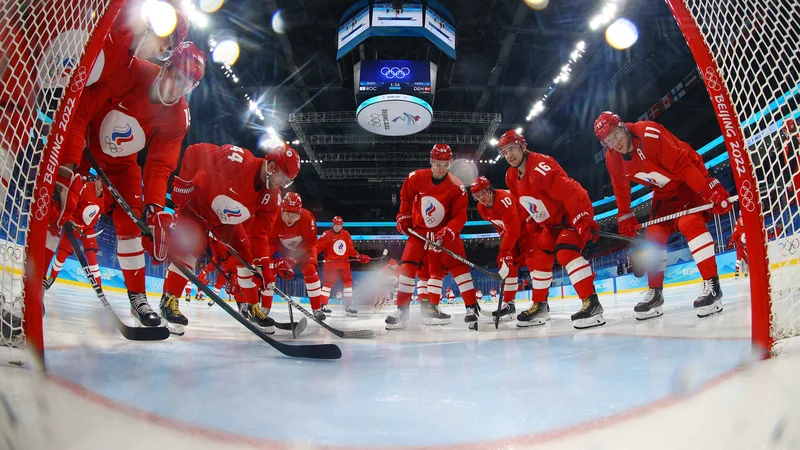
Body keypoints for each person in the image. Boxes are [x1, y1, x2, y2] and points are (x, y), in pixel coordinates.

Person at [55, 41, 206, 328]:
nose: (178, 89)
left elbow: (160, 165)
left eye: (187, 85)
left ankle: (138, 299)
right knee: (61, 206)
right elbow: (82, 110)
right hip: (87, 148)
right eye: (178, 78)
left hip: (124, 165)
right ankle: (33, 287)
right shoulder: (130, 71)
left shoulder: (178, 115)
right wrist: (68, 165)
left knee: (132, 225)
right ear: (167, 67)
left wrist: (154, 208)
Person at [595, 111, 730, 319]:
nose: (614, 143)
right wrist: (625, 215)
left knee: (689, 223)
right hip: (664, 191)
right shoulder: (612, 158)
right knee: (654, 236)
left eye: (615, 135)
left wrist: (707, 189)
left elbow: (684, 167)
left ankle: (713, 286)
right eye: (608, 141)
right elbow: (620, 188)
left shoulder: (650, 133)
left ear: (622, 126)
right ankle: (655, 293)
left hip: (687, 179)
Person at [161, 142, 299, 335]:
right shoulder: (236, 159)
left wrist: (264, 264)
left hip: (226, 221)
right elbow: (193, 153)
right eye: (283, 178)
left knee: (246, 257)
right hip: (198, 208)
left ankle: (252, 307)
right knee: (190, 250)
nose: (283, 185)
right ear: (272, 166)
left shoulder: (272, 197)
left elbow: (260, 234)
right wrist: (183, 187)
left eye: (288, 182)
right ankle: (169, 299)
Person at [498, 129, 606, 329]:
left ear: (523, 146)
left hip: (570, 215)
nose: (509, 155)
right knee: (539, 259)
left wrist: (581, 218)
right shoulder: (511, 176)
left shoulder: (540, 167)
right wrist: (532, 217)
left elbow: (572, 191)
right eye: (504, 152)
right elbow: (524, 202)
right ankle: (540, 306)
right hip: (551, 223)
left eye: (512, 149)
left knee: (566, 252)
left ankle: (592, 304)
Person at [388, 143, 479, 330]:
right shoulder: (415, 178)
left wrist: (448, 232)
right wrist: (403, 217)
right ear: (431, 161)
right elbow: (405, 199)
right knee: (407, 268)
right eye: (437, 163)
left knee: (459, 265)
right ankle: (401, 310)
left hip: (444, 232)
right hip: (419, 233)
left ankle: (471, 307)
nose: (440, 168)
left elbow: (460, 216)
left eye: (445, 164)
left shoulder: (458, 186)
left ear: (450, 164)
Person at [261, 193, 327, 321]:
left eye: (294, 215)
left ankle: (317, 309)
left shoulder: (307, 218)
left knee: (310, 271)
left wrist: (295, 257)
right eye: (287, 214)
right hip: (281, 248)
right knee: (269, 271)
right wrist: (277, 258)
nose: (290, 219)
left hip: (303, 249)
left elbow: (310, 242)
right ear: (282, 211)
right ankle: (265, 307)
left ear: (300, 213)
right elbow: (270, 242)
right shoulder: (273, 218)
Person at [469, 175, 524, 321]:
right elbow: (500, 225)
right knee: (506, 264)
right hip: (514, 232)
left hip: (527, 230)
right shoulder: (482, 208)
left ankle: (542, 302)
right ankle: (509, 304)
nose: (480, 198)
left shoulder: (504, 199)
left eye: (482, 193)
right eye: (476, 195)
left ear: (489, 190)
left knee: (534, 262)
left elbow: (513, 228)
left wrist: (505, 250)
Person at [43, 175, 109, 289]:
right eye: (100, 182)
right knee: (62, 252)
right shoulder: (85, 188)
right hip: (74, 224)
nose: (101, 186)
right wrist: (71, 220)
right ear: (96, 179)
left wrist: (87, 226)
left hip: (87, 228)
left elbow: (97, 215)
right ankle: (52, 278)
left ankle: (99, 287)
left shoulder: (105, 199)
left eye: (104, 184)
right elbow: (72, 204)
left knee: (92, 255)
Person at [317, 216, 370, 316]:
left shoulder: (346, 234)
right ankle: (323, 305)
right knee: (328, 284)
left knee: (348, 283)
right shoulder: (326, 234)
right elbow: (318, 247)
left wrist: (358, 255)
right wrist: (311, 256)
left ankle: (348, 306)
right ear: (333, 225)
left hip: (344, 264)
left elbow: (350, 249)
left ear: (342, 225)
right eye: (336, 225)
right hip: (331, 265)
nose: (337, 228)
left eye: (339, 226)